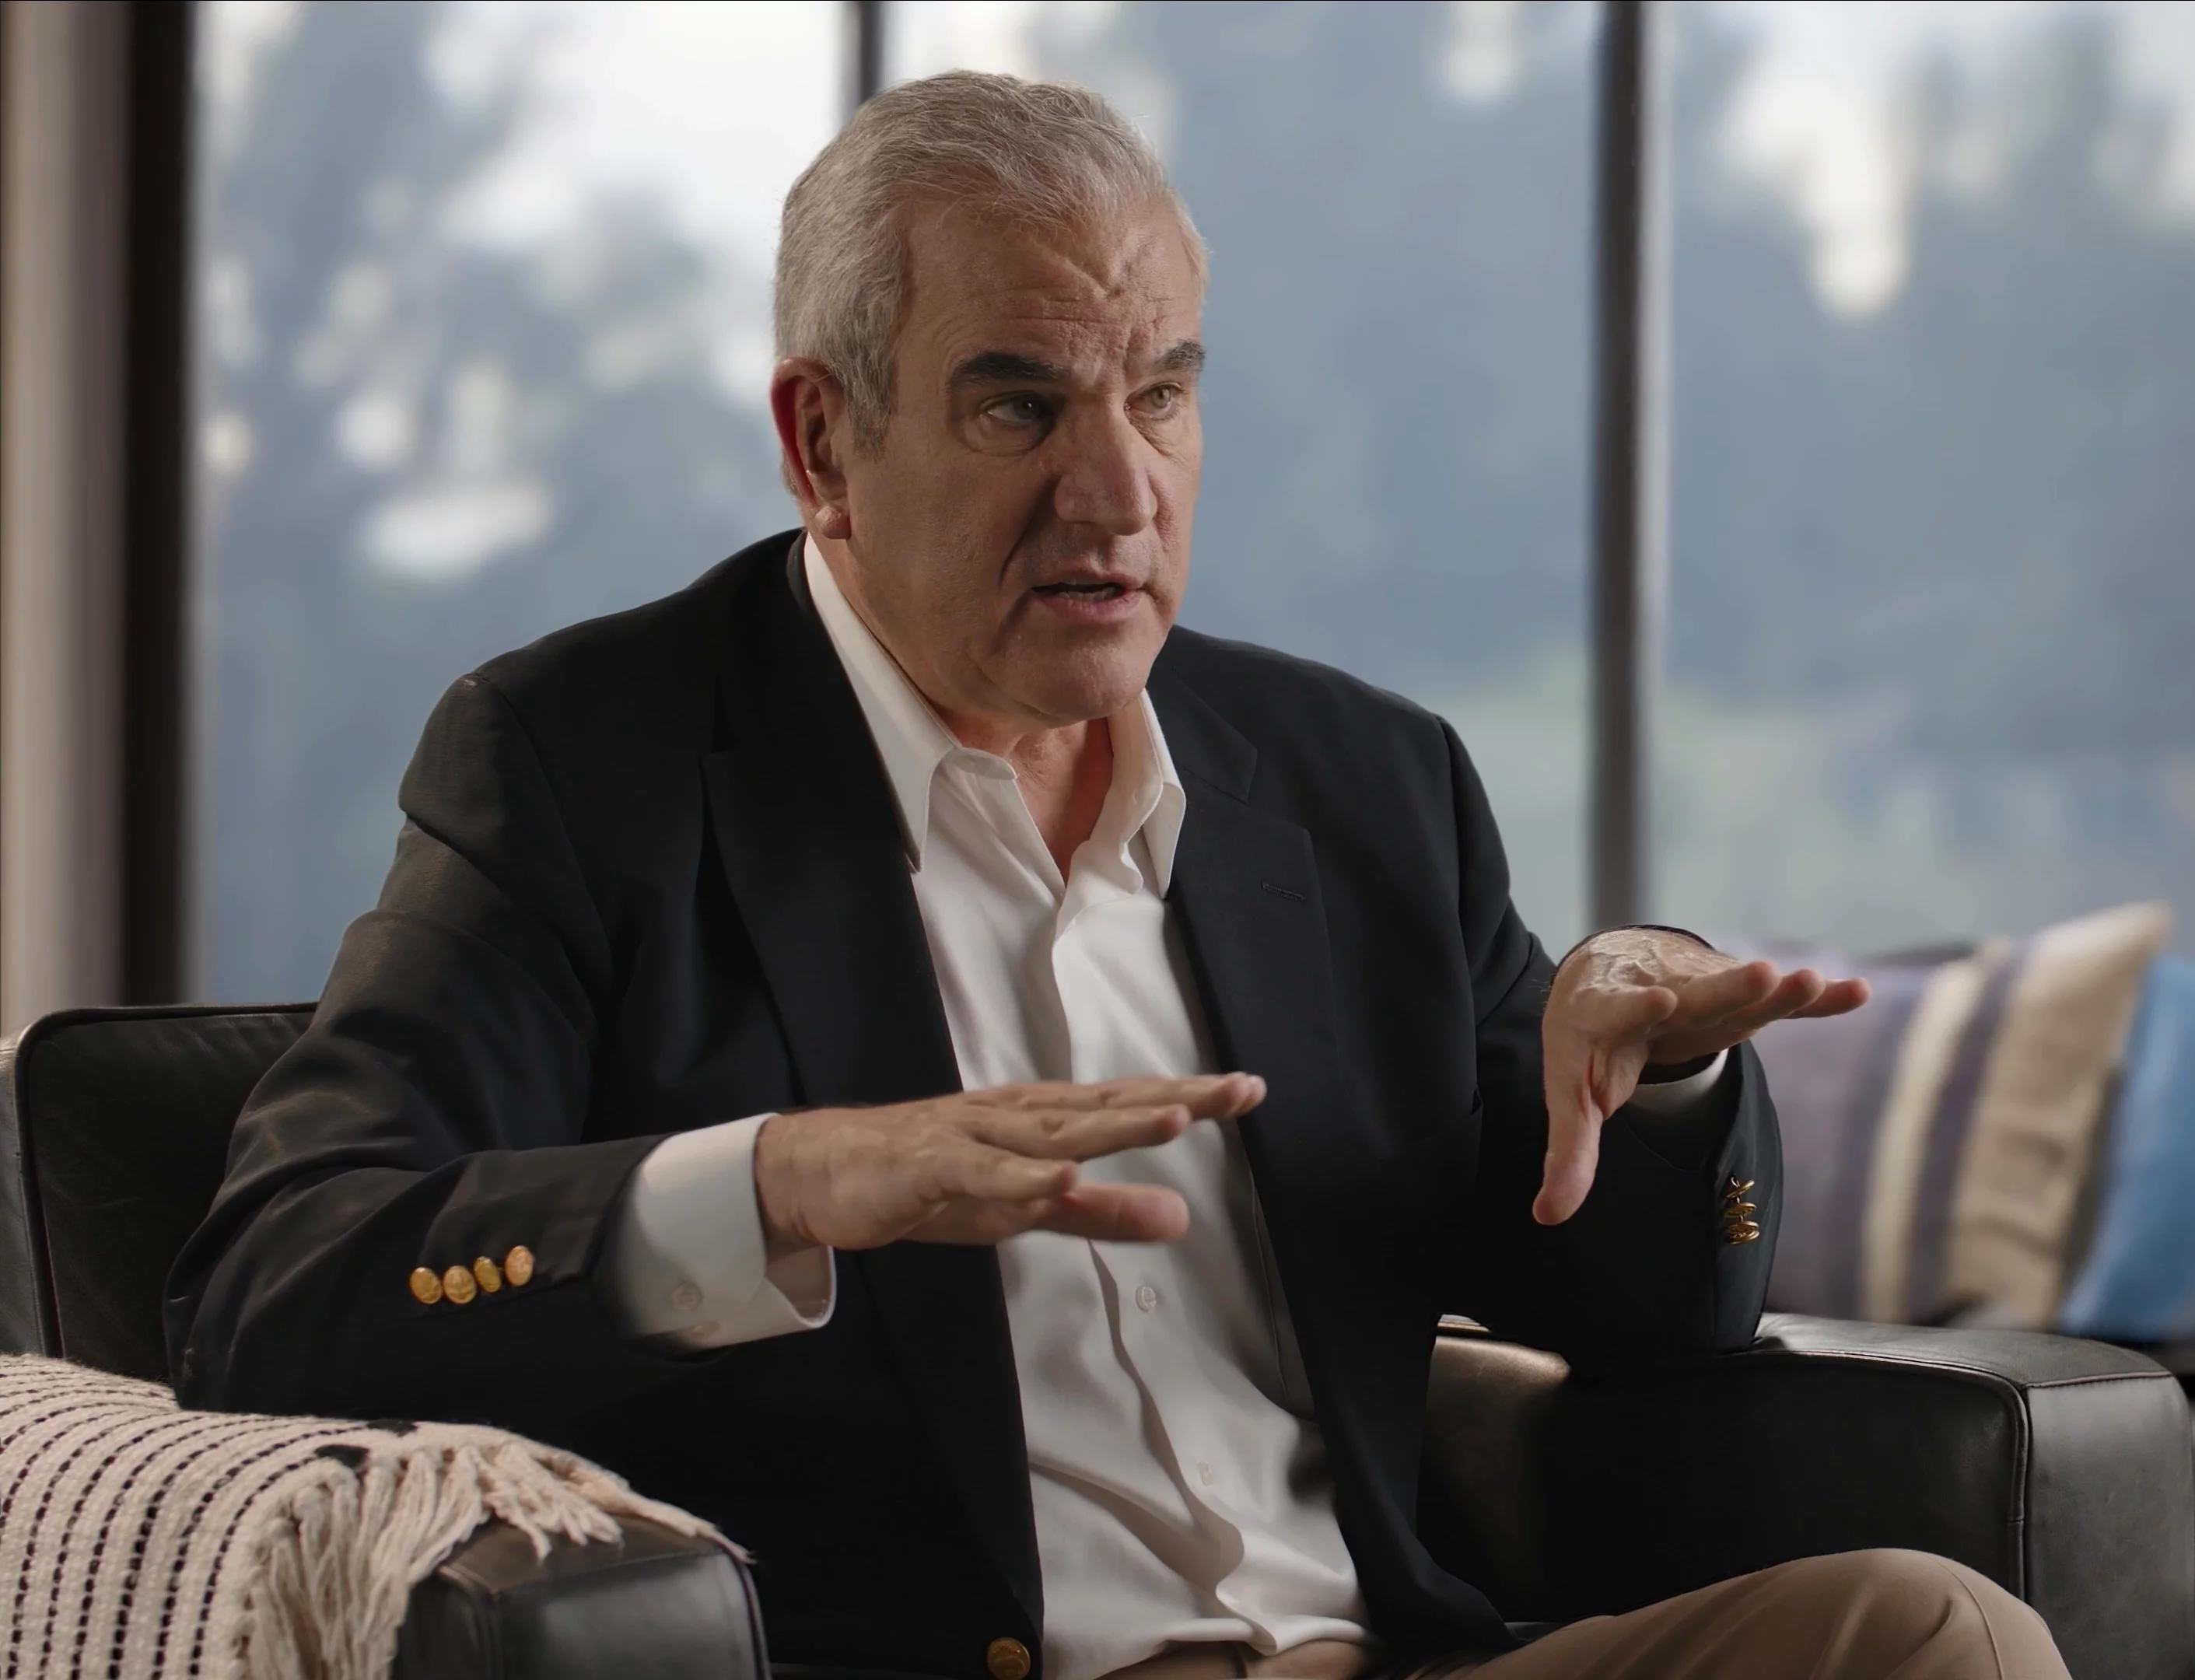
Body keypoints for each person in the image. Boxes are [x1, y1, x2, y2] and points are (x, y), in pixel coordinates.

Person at [167, 72, 2071, 1680]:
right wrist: (784, 1182)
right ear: (824, 443)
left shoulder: (1360, 782)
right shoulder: (586, 768)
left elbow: (1657, 1324)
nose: (1119, 490)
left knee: (1932, 1633)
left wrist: (1657, 1082)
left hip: (1391, 1654)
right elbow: (276, 1289)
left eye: (1159, 393)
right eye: (1020, 407)